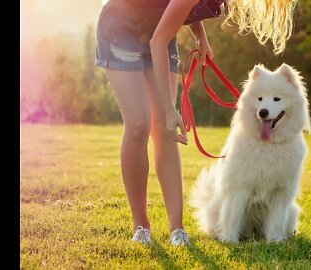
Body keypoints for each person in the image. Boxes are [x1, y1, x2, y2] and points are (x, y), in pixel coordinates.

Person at [94, 0, 298, 246]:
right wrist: (170, 109)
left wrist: (200, 34)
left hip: (159, 27)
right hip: (120, 26)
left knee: (165, 131)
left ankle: (176, 229)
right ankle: (141, 226)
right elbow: (159, 40)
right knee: (139, 125)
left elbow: (178, 7)